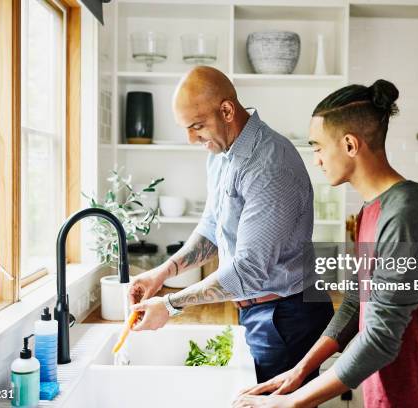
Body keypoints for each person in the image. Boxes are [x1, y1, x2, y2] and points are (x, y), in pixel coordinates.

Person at [234, 80, 418, 408]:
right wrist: (300, 368)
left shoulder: (406, 217)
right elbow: (355, 303)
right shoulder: (372, 209)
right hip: (392, 395)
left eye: (318, 147)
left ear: (350, 144)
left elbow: (380, 339)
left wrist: (292, 402)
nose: (316, 160)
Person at [127, 66, 334, 385]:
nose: (191, 138)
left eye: (197, 126)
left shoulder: (269, 165)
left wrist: (170, 304)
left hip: (285, 316)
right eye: (186, 129)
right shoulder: (222, 153)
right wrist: (163, 273)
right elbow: (213, 227)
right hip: (259, 308)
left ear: (226, 110)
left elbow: (250, 269)